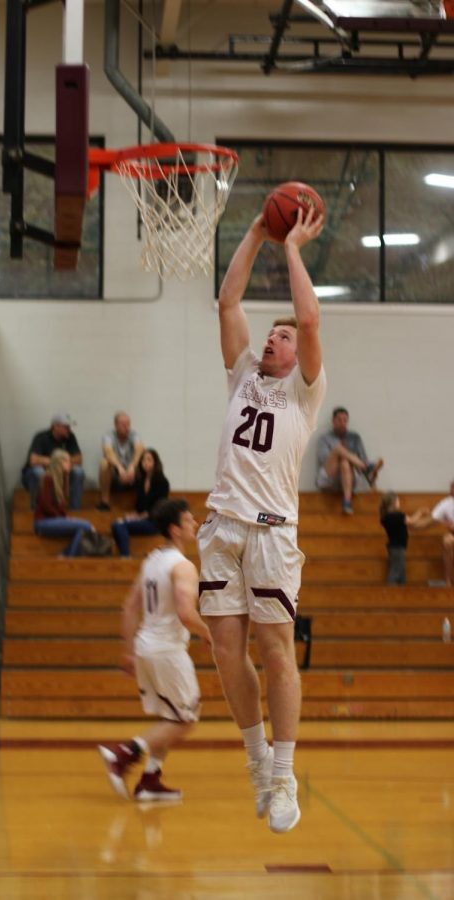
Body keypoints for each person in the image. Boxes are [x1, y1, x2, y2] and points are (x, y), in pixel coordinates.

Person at [197, 207, 327, 834]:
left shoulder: (305, 392)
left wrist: (294, 246)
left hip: (273, 532)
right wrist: (256, 228)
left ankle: (284, 776)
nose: (274, 339)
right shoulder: (242, 375)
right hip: (222, 527)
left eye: (283, 338)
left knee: (276, 652)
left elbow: (308, 316)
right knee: (224, 650)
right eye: (270, 336)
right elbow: (227, 301)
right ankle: (255, 763)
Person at [97, 498, 211, 802]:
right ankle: (123, 753)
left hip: (146, 647)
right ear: (175, 529)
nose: (195, 524)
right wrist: (209, 634)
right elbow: (187, 613)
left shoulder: (151, 560)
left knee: (170, 718)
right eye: (189, 521)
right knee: (186, 720)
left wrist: (128, 651)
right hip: (167, 651)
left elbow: (129, 606)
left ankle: (150, 779)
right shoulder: (182, 566)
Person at [316, 407, 384, 515]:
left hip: (350, 478)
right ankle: (366, 467)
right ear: (333, 421)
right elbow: (324, 460)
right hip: (329, 478)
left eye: (345, 420)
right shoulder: (325, 438)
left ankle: (347, 501)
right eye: (339, 420)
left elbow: (363, 457)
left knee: (345, 462)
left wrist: (346, 458)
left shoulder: (355, 437)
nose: (342, 423)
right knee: (338, 450)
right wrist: (344, 455)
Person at [34, 449, 95, 556]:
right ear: (58, 462)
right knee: (86, 526)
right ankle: (68, 556)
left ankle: (66, 555)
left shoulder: (61, 480)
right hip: (43, 522)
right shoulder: (48, 478)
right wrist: (62, 518)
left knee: (83, 528)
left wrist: (66, 518)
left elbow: (59, 507)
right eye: (66, 461)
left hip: (53, 520)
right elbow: (45, 505)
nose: (70, 464)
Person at [111, 449, 170, 557]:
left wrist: (143, 515)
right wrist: (132, 515)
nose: (145, 462)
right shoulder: (140, 481)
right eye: (143, 460)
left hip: (154, 522)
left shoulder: (162, 482)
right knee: (116, 524)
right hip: (142, 519)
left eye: (149, 460)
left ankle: (125, 557)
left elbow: (161, 507)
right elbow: (139, 506)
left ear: (155, 463)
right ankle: (125, 556)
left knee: (119, 526)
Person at [21, 412, 84, 510]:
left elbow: (79, 459)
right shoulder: (41, 437)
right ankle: (36, 510)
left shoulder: (70, 437)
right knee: (39, 472)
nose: (69, 429)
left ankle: (75, 509)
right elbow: (33, 460)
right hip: (36, 474)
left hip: (60, 473)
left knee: (78, 472)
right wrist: (57, 461)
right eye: (66, 427)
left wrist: (64, 462)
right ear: (55, 426)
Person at [379, 492, 429, 585]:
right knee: (396, 571)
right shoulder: (398, 515)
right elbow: (411, 521)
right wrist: (420, 512)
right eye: (397, 500)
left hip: (394, 547)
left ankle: (402, 592)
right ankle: (391, 593)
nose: (399, 502)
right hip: (398, 547)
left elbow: (404, 527)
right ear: (392, 503)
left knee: (401, 571)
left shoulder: (386, 517)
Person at [97, 412, 144, 511]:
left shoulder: (134, 434)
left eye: (128, 424)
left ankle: (143, 501)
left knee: (145, 460)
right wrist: (119, 468)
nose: (127, 427)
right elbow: (108, 451)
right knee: (104, 463)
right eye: (123, 425)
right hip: (116, 473)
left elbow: (139, 449)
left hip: (132, 472)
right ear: (116, 425)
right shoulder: (108, 436)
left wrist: (132, 466)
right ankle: (105, 502)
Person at [428, 480, 454, 587]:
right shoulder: (445, 503)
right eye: (452, 487)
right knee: (448, 541)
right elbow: (434, 518)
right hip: (452, 533)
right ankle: (448, 579)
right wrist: (448, 524)